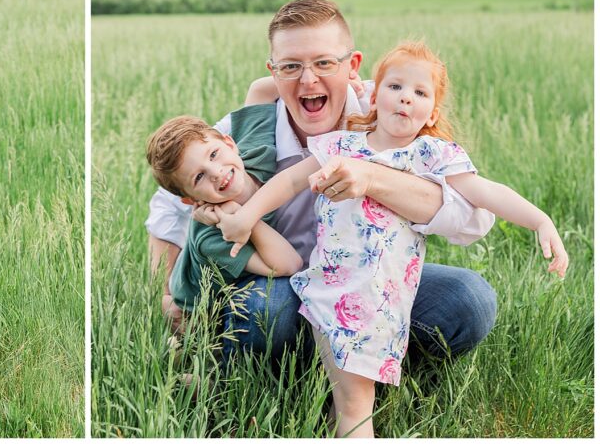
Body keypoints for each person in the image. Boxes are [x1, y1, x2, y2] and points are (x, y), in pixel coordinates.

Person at [216, 40, 569, 437]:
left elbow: (486, 192)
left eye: (420, 93)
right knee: (354, 407)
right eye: (396, 87)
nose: (405, 99)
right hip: (330, 293)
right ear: (373, 94)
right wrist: (247, 215)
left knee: (350, 403)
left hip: (385, 301)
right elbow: (290, 180)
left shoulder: (432, 156)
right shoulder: (341, 145)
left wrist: (540, 220)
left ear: (432, 111)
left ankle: (337, 417)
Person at [145, 0, 499, 361]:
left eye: (324, 63)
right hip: (283, 282)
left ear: (352, 66)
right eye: (291, 66)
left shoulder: (388, 114)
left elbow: (475, 220)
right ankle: (295, 372)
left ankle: (367, 360)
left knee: (469, 299)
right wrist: (168, 295)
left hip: (369, 281)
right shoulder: (246, 132)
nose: (308, 79)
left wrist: (373, 178)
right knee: (265, 311)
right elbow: (169, 203)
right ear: (274, 71)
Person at [145, 111, 303, 315]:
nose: (216, 172)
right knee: (275, 299)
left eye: (213, 155)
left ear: (229, 143)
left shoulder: (258, 155)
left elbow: (261, 89)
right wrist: (243, 216)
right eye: (199, 176)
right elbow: (290, 264)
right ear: (190, 200)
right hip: (201, 309)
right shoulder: (212, 238)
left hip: (241, 273)